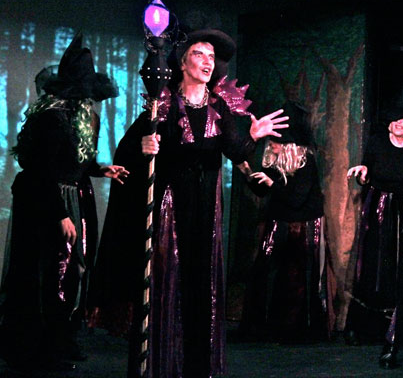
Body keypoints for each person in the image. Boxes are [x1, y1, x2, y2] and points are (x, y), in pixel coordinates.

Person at [90, 27, 288, 378]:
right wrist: (144, 148)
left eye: (212, 56)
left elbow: (236, 152)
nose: (208, 61)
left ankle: (196, 367)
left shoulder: (218, 107)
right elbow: (129, 152)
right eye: (199, 54)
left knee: (200, 287)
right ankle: (161, 364)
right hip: (170, 209)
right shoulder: (163, 105)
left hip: (205, 212)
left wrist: (253, 139)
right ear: (182, 63)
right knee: (167, 280)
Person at [0, 32, 127, 371]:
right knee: (51, 272)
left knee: (73, 272)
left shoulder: (82, 115)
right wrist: (60, 214)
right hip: (48, 201)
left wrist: (100, 169)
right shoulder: (52, 117)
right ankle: (41, 348)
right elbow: (41, 168)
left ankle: (63, 338)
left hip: (75, 196)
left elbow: (74, 160)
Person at [238, 100, 334, 344]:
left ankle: (298, 330)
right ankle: (262, 327)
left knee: (297, 278)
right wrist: (248, 172)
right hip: (279, 222)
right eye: (272, 141)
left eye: (277, 142)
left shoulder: (306, 162)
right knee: (266, 271)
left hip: (304, 226)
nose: (272, 145)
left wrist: (273, 184)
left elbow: (297, 199)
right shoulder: (275, 161)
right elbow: (263, 191)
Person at [344, 68, 403, 369]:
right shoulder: (377, 142)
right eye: (393, 120)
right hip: (379, 209)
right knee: (375, 266)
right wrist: (363, 174)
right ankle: (366, 327)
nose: (397, 124)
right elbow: (366, 171)